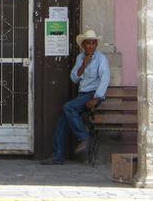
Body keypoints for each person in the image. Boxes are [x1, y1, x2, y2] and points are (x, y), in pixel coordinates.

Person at [41, 29, 110, 165]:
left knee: (68, 107)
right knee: (63, 119)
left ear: (96, 45)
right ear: (83, 45)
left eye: (93, 43)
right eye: (87, 43)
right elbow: (74, 78)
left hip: (93, 95)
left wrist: (96, 98)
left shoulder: (101, 58)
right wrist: (83, 65)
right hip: (82, 96)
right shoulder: (80, 58)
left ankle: (84, 138)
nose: (90, 46)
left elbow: (105, 78)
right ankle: (58, 156)